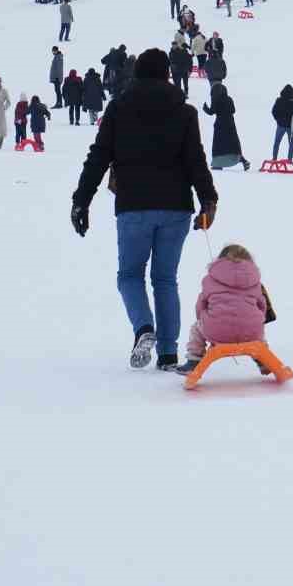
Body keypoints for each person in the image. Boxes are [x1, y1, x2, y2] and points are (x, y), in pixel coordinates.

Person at [71, 48, 220, 371]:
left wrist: (81, 200)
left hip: (133, 205)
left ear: (136, 73)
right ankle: (167, 353)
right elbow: (195, 160)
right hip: (176, 207)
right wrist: (208, 198)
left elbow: (98, 157)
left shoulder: (119, 109)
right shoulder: (185, 112)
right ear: (168, 74)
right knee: (165, 279)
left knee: (129, 275)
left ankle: (144, 328)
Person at [173, 244, 273, 375]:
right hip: (251, 333)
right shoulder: (255, 281)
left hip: (216, 330)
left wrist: (203, 318)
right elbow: (262, 305)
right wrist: (258, 319)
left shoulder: (210, 279)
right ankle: (263, 360)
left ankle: (194, 361)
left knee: (196, 329)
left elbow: (201, 304)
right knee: (256, 327)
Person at [270, 85, 293, 162]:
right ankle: (290, 160)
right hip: (291, 126)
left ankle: (274, 158)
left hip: (281, 125)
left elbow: (273, 111)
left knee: (277, 142)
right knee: (291, 144)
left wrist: (278, 120)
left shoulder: (279, 100)